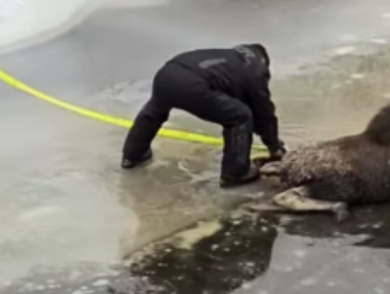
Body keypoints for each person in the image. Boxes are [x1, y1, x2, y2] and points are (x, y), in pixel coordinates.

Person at [121, 43, 287, 188]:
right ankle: (236, 173)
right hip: (193, 83)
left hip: (168, 72)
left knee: (155, 111)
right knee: (240, 116)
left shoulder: (229, 58)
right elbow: (264, 112)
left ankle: (133, 156)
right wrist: (274, 147)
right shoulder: (256, 70)